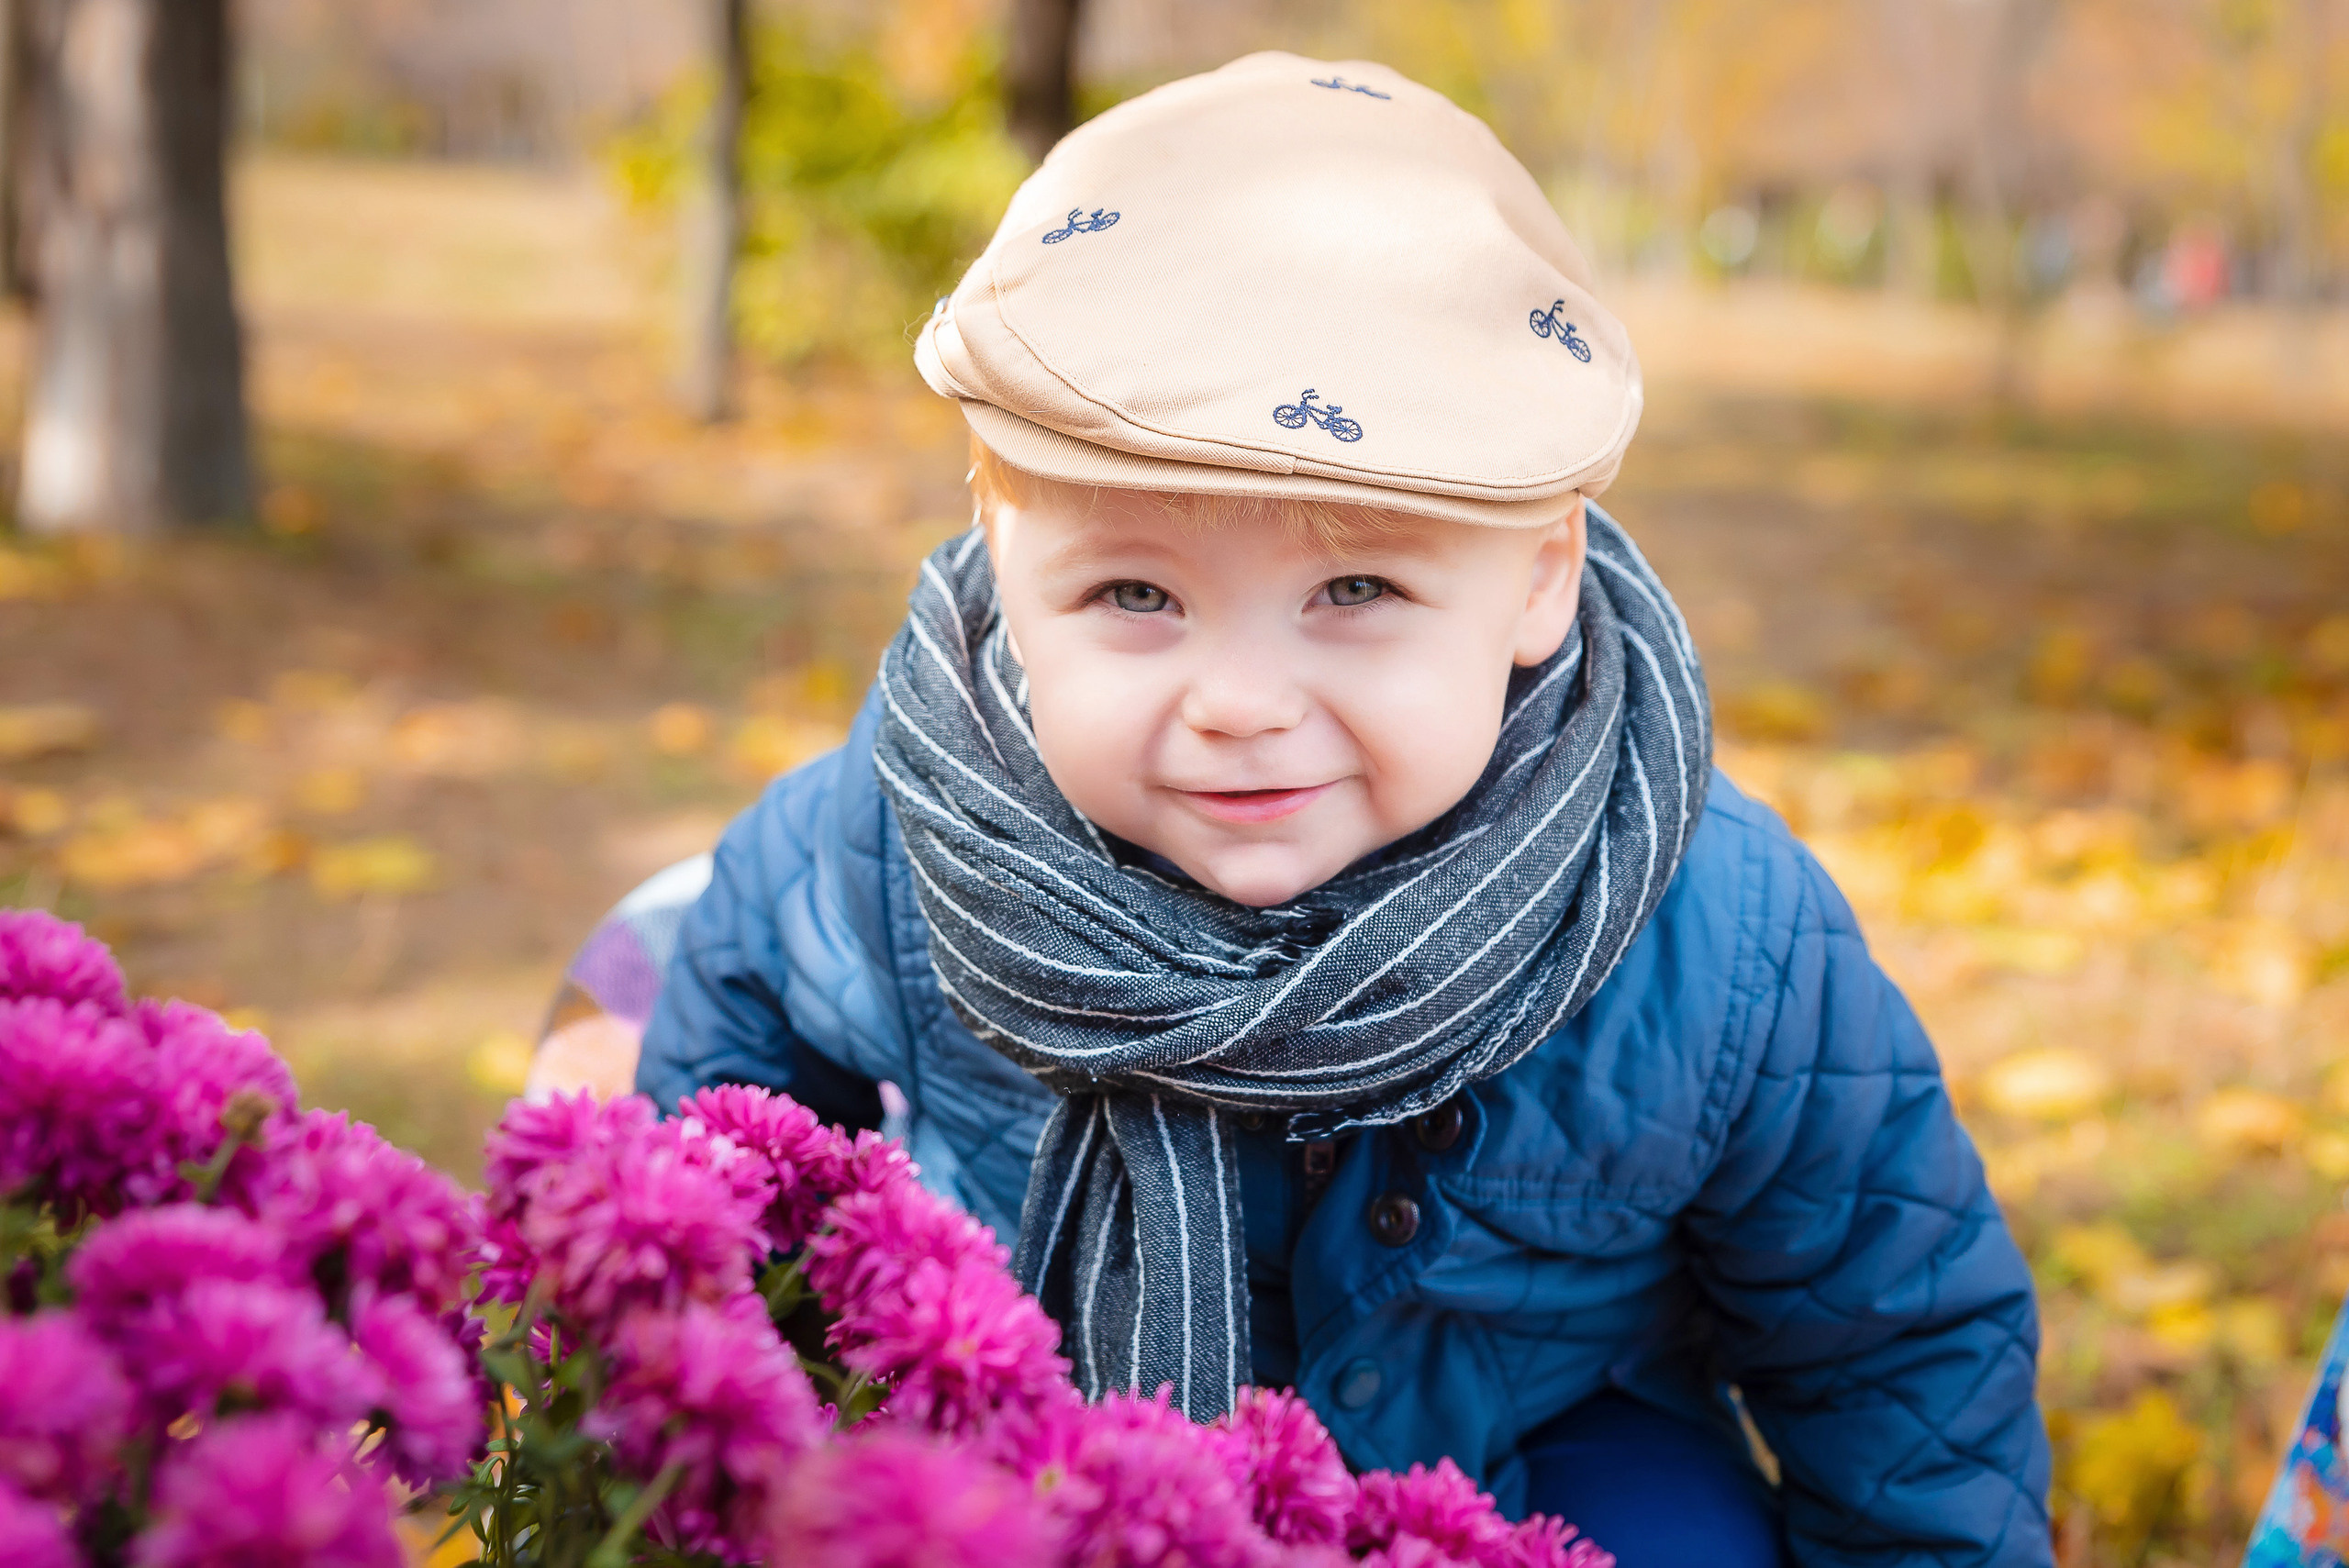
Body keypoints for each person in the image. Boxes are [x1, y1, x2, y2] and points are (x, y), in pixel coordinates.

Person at [623, 52, 2051, 1568]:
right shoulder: (914, 835)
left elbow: (1893, 1345)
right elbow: (720, 1095)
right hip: (1044, 1440)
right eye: (1133, 591)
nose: (1243, 699)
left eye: (1355, 589)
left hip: (1538, 1447)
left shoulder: (1709, 927)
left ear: (1540, 577)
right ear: (1002, 562)